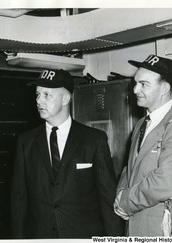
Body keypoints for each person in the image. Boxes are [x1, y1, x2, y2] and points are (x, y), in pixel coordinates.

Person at [10, 69, 125, 239]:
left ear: (65, 98)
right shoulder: (25, 142)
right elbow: (19, 202)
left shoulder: (94, 140)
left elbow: (107, 199)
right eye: (37, 95)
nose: (39, 101)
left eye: (46, 95)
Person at [114, 54, 172, 236]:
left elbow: (165, 181)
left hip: (159, 229)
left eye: (143, 84)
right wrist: (119, 193)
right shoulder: (141, 123)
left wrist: (125, 201)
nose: (135, 90)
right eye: (135, 83)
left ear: (164, 88)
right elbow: (130, 168)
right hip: (133, 225)